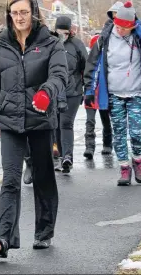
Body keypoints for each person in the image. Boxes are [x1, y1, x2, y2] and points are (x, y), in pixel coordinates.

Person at [0, 0, 67, 257]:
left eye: (24, 12)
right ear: (9, 15)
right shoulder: (0, 44)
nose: (19, 17)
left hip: (40, 120)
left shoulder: (51, 43)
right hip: (10, 122)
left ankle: (44, 232)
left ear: (33, 13)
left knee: (43, 176)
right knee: (10, 179)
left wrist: (46, 93)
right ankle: (3, 236)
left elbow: (59, 75)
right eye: (14, 13)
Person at [84, 1, 141, 186]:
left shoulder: (140, 38)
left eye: (125, 28)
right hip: (114, 94)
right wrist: (89, 90)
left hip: (137, 93)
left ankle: (138, 162)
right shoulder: (105, 38)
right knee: (119, 133)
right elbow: (93, 64)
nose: (121, 31)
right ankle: (125, 169)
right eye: (118, 26)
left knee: (136, 133)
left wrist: (135, 21)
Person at [52, 16, 88, 173]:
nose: (62, 34)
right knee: (55, 125)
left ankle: (68, 157)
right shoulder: (50, 43)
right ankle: (60, 156)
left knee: (66, 123)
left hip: (72, 91)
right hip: (54, 91)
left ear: (70, 31)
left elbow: (86, 67)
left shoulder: (77, 45)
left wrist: (87, 88)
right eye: (59, 31)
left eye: (65, 31)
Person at [83, 32, 113, 159]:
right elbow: (84, 75)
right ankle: (89, 147)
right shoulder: (89, 61)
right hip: (90, 93)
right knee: (90, 121)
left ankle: (107, 144)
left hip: (103, 94)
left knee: (105, 120)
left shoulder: (107, 60)